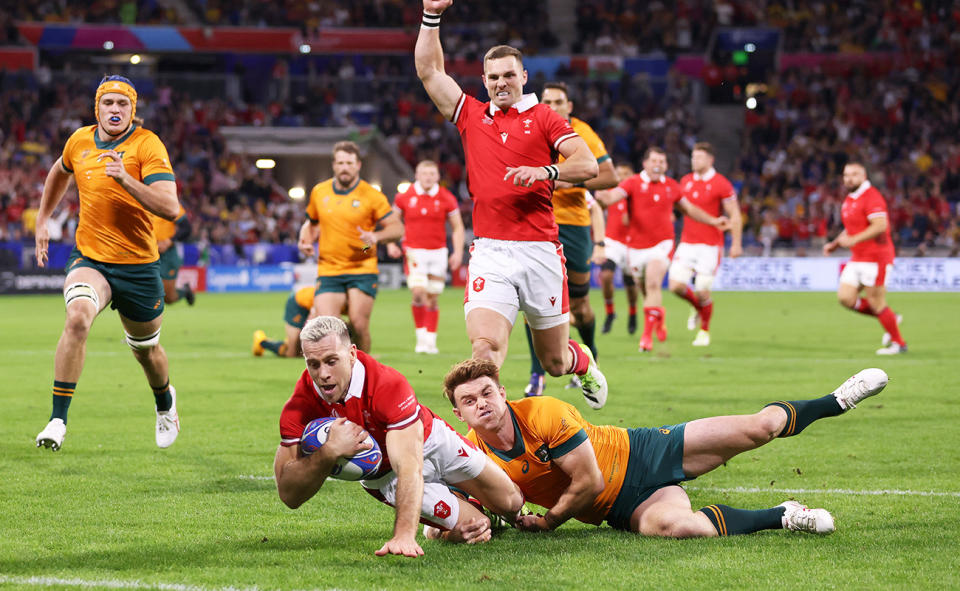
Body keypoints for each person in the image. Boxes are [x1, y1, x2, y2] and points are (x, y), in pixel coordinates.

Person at [443, 357, 889, 538]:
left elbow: (589, 479)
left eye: (487, 393)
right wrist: (456, 526)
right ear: (459, 414)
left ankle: (837, 400)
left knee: (759, 428)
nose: (481, 404)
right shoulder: (469, 453)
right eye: (469, 401)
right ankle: (786, 515)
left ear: (502, 392)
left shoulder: (543, 412)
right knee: (681, 528)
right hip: (622, 510)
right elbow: (464, 504)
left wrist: (551, 521)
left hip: (642, 452)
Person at [415, 0, 608, 410]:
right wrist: (431, 16)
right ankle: (491, 438)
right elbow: (430, 72)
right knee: (484, 350)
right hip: (490, 251)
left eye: (508, 75)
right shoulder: (471, 114)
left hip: (539, 251)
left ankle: (583, 361)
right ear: (484, 81)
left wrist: (547, 172)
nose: (501, 83)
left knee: (554, 362)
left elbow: (587, 163)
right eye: (493, 77)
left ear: (523, 76)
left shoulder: (546, 118)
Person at [274, 316, 524, 557]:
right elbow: (289, 495)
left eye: (331, 361)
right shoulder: (299, 406)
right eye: (313, 363)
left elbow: (408, 464)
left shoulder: (386, 384)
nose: (323, 374)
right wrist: (329, 451)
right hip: (384, 477)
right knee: (477, 526)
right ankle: (442, 527)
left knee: (512, 503)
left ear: (351, 354)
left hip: (431, 442)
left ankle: (459, 497)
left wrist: (404, 535)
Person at [34, 75, 181, 451]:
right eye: (108, 103)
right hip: (91, 258)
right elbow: (59, 172)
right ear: (96, 108)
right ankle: (57, 420)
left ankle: (165, 403)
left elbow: (170, 207)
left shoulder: (147, 145)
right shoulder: (79, 141)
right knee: (78, 316)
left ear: (133, 111)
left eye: (123, 104)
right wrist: (43, 220)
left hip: (138, 266)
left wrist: (125, 179)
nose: (115, 110)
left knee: (146, 351)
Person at [522, 82, 617, 397]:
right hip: (535, 224)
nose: (552, 105)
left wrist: (562, 178)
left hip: (574, 226)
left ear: (569, 105)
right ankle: (537, 376)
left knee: (579, 306)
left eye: (558, 101)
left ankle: (590, 357)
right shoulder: (529, 128)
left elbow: (610, 176)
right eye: (547, 100)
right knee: (532, 301)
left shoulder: (581, 133)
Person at [598, 147, 729, 352]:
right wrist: (598, 191)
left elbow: (689, 209)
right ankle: (658, 316)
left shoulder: (671, 186)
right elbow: (611, 197)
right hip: (635, 248)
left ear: (666, 165)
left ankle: (646, 337)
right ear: (645, 164)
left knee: (652, 282)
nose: (658, 164)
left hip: (662, 245)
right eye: (654, 161)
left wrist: (713, 220)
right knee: (646, 290)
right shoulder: (632, 183)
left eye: (662, 161)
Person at [297, 141, 404, 353]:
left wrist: (376, 235)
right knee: (326, 327)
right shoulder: (320, 191)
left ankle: (364, 373)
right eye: (340, 163)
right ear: (334, 165)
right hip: (329, 269)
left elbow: (397, 228)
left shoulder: (372, 195)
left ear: (358, 165)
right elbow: (312, 221)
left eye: (349, 162)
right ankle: (334, 379)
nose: (344, 167)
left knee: (359, 324)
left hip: (362, 268)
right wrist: (305, 238)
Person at [823, 161, 906, 355]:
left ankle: (898, 343)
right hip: (858, 257)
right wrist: (834, 244)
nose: (849, 178)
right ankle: (891, 318)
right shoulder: (851, 198)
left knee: (876, 302)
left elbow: (880, 225)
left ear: (864, 176)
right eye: (846, 175)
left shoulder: (872, 197)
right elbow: (851, 228)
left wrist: (852, 240)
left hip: (876, 258)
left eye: (853, 174)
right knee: (845, 298)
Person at [668, 142, 743, 347]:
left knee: (702, 290)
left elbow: (734, 214)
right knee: (675, 286)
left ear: (710, 160)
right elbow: (681, 207)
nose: (694, 160)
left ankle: (704, 331)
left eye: (699, 157)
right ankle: (699, 308)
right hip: (687, 242)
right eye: (693, 156)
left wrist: (736, 243)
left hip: (710, 245)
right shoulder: (686, 181)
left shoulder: (721, 184)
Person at [386, 160, 465, 354]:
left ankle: (430, 341)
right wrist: (390, 243)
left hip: (438, 252)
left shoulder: (446, 197)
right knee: (419, 293)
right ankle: (421, 339)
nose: (428, 177)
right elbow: (391, 221)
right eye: (424, 173)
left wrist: (458, 251)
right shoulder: (405, 197)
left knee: (432, 298)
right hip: (414, 251)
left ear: (438, 176)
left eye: (432, 173)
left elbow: (458, 227)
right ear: (417, 175)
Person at [600, 164, 640, 335]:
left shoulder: (638, 195)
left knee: (630, 285)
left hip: (632, 244)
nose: (622, 177)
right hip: (612, 241)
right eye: (619, 174)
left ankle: (633, 313)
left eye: (626, 174)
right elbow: (599, 204)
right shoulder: (611, 192)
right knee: (606, 275)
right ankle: (610, 312)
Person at [253, 285, 316, 358]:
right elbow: (313, 318)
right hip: (297, 305)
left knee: (301, 353)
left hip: (310, 308)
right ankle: (262, 342)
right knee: (292, 353)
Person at [154, 204, 195, 306]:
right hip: (147, 252)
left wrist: (169, 241)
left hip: (167, 254)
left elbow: (186, 228)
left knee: (169, 297)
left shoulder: (169, 203)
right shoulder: (139, 200)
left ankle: (185, 291)